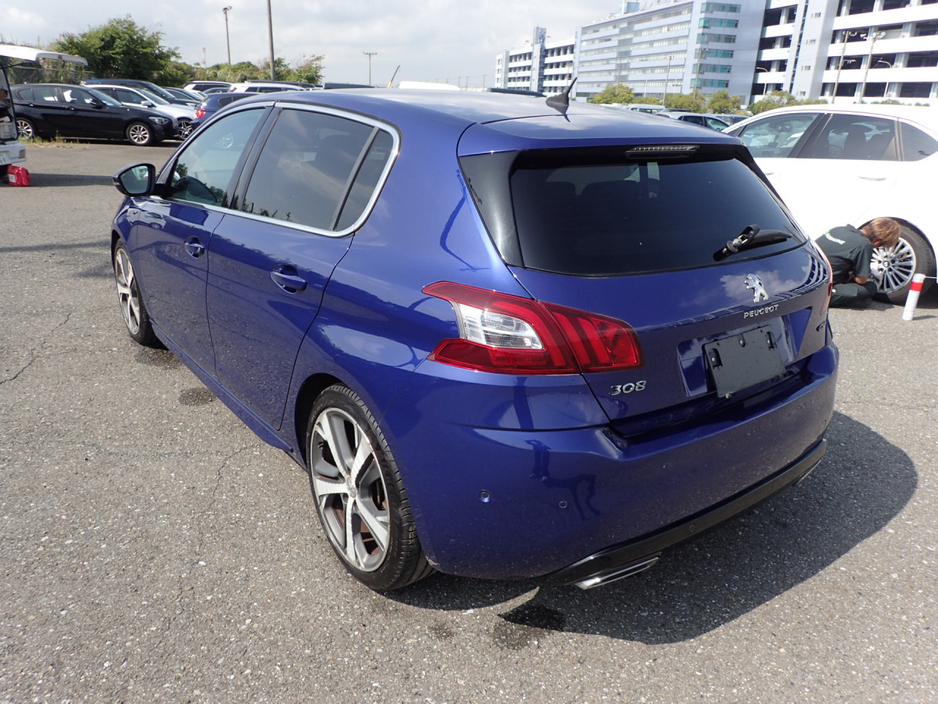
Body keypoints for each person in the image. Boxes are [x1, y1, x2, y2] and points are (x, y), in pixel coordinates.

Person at [816, 218, 901, 307]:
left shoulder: (838, 229)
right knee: (870, 287)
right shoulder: (864, 244)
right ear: (876, 242)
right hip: (822, 289)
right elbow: (861, 280)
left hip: (807, 277)